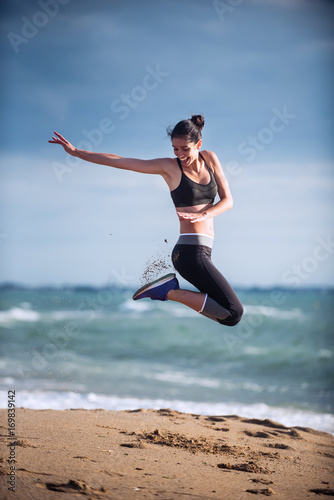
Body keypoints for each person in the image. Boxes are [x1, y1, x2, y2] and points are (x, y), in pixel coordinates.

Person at [49, 114, 243, 326]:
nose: (179, 154)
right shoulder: (170, 167)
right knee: (234, 312)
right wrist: (76, 152)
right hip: (190, 253)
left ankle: (168, 290)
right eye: (175, 149)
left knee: (228, 316)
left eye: (185, 149)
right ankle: (168, 291)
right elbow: (121, 161)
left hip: (204, 251)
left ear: (198, 144)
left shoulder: (210, 158)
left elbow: (228, 200)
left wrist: (204, 214)